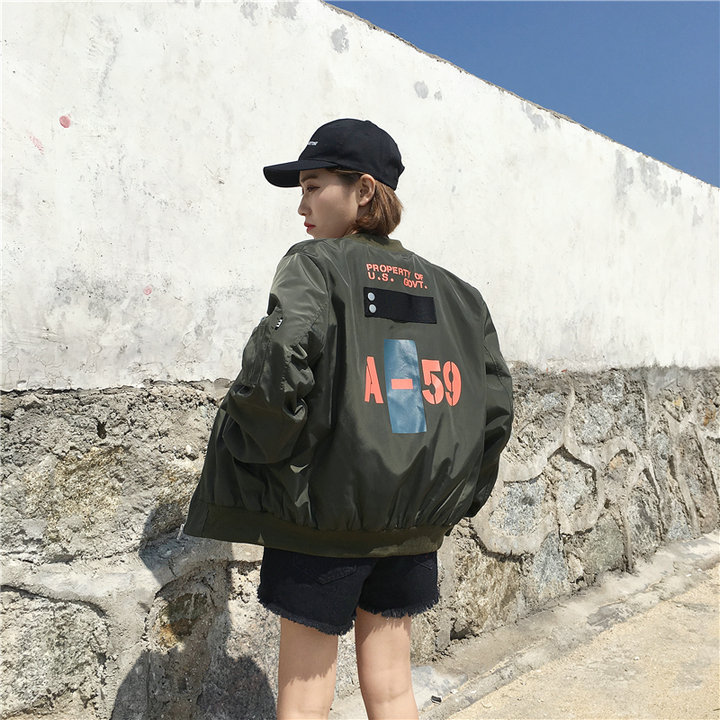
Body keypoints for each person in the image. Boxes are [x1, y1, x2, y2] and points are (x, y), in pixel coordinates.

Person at [183, 118, 513, 719]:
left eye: (313, 186)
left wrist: (260, 453)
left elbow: (279, 364)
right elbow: (492, 406)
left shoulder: (314, 265)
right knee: (392, 687)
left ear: (363, 191)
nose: (301, 206)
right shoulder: (456, 293)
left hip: (323, 524)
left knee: (305, 698)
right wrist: (457, 495)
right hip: (410, 527)